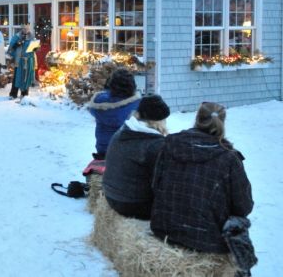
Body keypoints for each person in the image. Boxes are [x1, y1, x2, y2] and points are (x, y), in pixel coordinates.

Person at [151, 102, 253, 254]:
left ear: (197, 118)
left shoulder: (170, 143)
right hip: (208, 241)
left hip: (164, 230)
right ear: (222, 123)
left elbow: (154, 185)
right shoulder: (230, 158)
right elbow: (243, 206)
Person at [103, 94, 169, 220]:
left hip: (110, 195)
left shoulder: (123, 131)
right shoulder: (155, 145)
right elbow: (163, 182)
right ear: (158, 121)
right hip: (134, 205)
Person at [87, 68, 142, 159]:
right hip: (127, 152)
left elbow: (105, 95)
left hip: (103, 151)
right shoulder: (137, 103)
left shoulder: (99, 101)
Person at [7, 23, 38, 100]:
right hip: (19, 60)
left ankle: (24, 94)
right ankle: (13, 94)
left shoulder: (32, 37)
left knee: (26, 78)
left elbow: (35, 49)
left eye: (27, 28)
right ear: (21, 29)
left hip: (29, 60)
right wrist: (16, 45)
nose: (25, 30)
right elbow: (10, 49)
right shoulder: (17, 37)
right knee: (17, 77)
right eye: (24, 28)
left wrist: (35, 48)